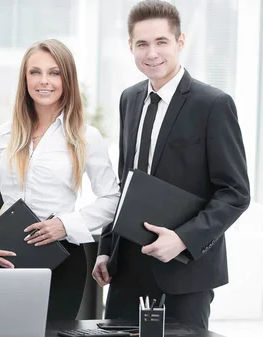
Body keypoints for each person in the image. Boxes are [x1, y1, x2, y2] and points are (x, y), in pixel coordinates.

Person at [92, 0, 250, 330]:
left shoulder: (213, 105)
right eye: (142, 44)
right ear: (130, 47)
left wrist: (182, 239)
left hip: (185, 270)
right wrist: (106, 249)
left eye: (161, 42)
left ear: (180, 42)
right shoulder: (130, 99)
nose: (152, 53)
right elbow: (126, 182)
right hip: (127, 268)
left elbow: (235, 193)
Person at [0, 39, 120, 320]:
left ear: (67, 79)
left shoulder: (86, 137)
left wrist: (65, 225)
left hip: (62, 256)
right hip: (10, 257)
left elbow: (112, 199)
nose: (44, 81)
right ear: (24, 79)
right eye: (35, 72)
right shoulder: (5, 134)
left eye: (54, 73)